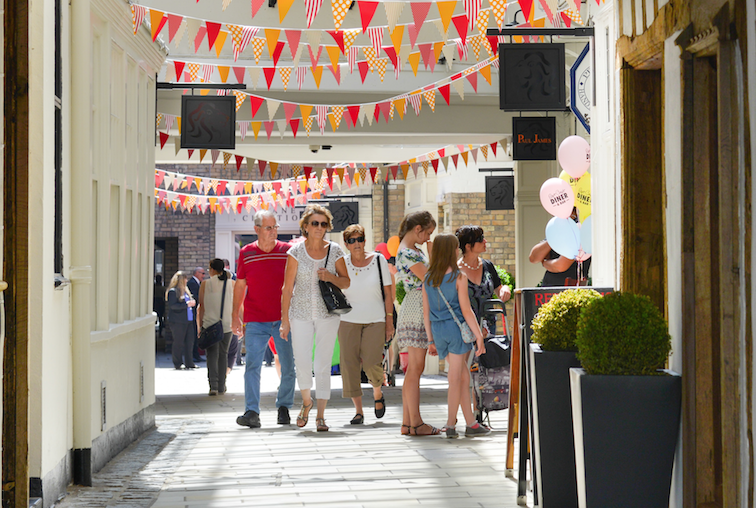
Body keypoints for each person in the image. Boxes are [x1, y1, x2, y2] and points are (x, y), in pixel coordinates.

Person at [280, 204, 350, 432]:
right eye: (315, 224)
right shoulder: (295, 253)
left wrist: (330, 276)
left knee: (322, 363)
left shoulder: (336, 250)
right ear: (306, 227)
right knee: (302, 362)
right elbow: (287, 288)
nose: (319, 228)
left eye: (323, 224)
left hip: (328, 314)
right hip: (299, 314)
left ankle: (320, 415)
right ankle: (306, 402)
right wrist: (285, 320)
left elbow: (346, 281)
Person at [232, 210, 296, 429]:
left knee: (288, 366)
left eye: (275, 227)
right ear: (257, 229)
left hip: (282, 319)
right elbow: (240, 285)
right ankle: (252, 412)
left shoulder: (288, 251)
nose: (273, 232)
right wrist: (235, 315)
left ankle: (284, 407)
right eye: (268, 228)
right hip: (255, 319)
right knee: (252, 366)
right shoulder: (246, 253)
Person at [422, 234, 489, 439]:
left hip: (439, 332)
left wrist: (431, 340)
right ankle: (451, 424)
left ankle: (470, 423)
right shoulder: (459, 276)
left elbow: (426, 312)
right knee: (455, 378)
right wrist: (478, 336)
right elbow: (466, 310)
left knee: (461, 375)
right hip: (457, 330)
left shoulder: (428, 278)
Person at [339, 224, 393, 425]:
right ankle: (359, 411)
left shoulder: (379, 260)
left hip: (375, 319)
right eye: (351, 241)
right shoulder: (341, 263)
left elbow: (388, 293)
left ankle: (377, 391)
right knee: (349, 365)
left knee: (371, 363)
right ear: (346, 244)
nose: (356, 244)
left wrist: (389, 321)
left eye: (359, 239)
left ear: (364, 240)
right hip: (347, 320)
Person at [394, 211, 438, 436]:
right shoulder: (410, 253)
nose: (428, 237)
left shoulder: (408, 250)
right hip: (416, 308)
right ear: (417, 229)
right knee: (416, 368)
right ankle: (417, 423)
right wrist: (433, 257)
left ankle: (408, 422)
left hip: (413, 307)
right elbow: (429, 279)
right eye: (427, 232)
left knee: (414, 369)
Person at [455, 225, 512, 336]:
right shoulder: (456, 270)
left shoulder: (487, 265)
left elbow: (499, 290)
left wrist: (505, 289)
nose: (485, 241)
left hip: (489, 327)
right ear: (468, 246)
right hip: (465, 329)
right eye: (480, 239)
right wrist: (475, 329)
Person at [198, 259, 235, 396]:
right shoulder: (232, 284)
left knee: (212, 355)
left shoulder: (205, 284)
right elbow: (237, 305)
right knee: (224, 354)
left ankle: (213, 386)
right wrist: (241, 323)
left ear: (212, 269)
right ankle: (221, 386)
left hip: (209, 324)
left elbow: (201, 307)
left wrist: (200, 325)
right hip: (227, 324)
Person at [529, 208, 591, 287]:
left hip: (569, 288)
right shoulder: (558, 226)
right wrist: (553, 239)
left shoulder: (579, 227)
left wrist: (545, 263)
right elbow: (533, 258)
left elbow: (560, 266)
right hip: (550, 287)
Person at [165, 271, 198, 370]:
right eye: (185, 279)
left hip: (189, 320)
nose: (186, 280)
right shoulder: (173, 291)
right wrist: (187, 305)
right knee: (178, 342)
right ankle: (178, 363)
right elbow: (173, 306)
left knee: (190, 342)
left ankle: (189, 363)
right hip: (178, 321)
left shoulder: (186, 291)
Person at [187, 267, 206, 363]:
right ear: (196, 273)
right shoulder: (192, 283)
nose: (204, 275)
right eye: (202, 273)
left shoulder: (197, 283)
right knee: (194, 335)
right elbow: (195, 298)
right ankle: (194, 355)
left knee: (196, 334)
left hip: (197, 313)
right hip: (193, 313)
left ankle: (196, 355)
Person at [153, 274, 166, 339]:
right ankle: (160, 334)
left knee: (154, 319)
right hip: (160, 303)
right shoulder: (162, 288)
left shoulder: (153, 287)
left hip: (154, 302)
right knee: (160, 319)